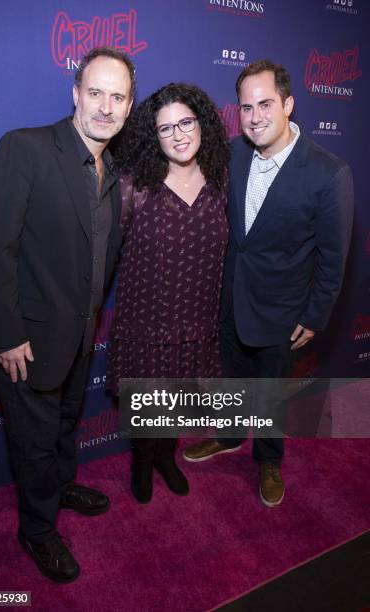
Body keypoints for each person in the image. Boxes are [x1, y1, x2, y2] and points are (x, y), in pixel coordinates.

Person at [0, 47, 134, 583]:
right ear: (75, 94)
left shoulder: (111, 167)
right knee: (35, 440)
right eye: (96, 93)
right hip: (30, 341)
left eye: (118, 96)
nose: (106, 107)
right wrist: (7, 336)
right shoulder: (27, 148)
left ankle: (60, 487)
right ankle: (37, 530)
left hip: (80, 334)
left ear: (129, 106)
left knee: (65, 427)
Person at [183, 60, 354, 507]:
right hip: (230, 300)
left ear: (289, 105)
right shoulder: (232, 152)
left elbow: (334, 258)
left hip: (283, 311)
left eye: (265, 104)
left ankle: (269, 458)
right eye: (246, 107)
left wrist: (315, 315)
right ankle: (229, 435)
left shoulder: (328, 173)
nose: (255, 116)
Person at [107, 83, 229, 503]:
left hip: (197, 320)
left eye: (185, 122)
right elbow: (105, 255)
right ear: (151, 136)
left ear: (202, 124)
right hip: (147, 321)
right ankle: (142, 461)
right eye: (165, 129)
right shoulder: (134, 185)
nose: (178, 135)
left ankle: (165, 457)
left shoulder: (221, 179)